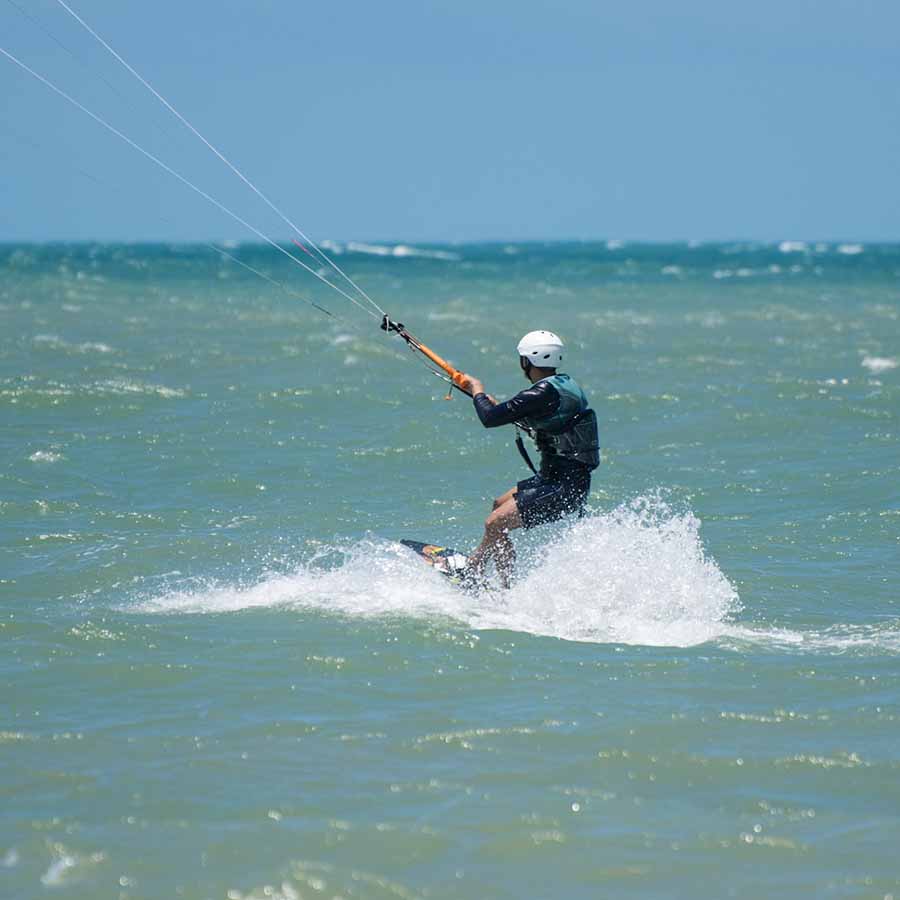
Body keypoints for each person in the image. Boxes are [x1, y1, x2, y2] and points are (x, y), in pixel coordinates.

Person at [452, 330, 600, 588]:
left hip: (564, 487)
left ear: (526, 361)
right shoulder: (564, 385)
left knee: (495, 524)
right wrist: (501, 408)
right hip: (557, 478)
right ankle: (478, 570)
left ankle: (500, 588)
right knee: (499, 505)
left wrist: (476, 390)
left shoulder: (538, 393)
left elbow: (489, 419)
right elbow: (543, 417)